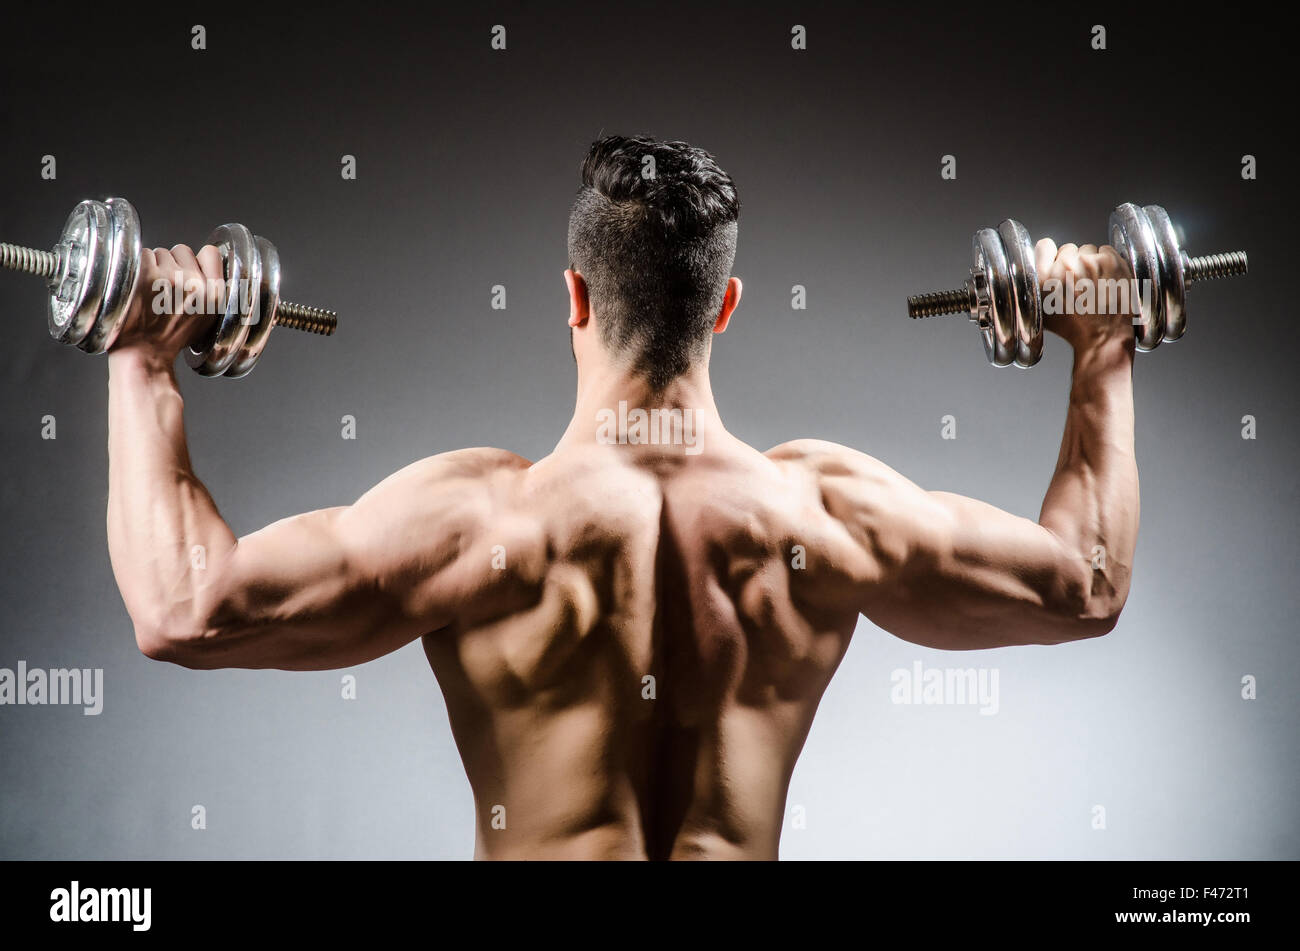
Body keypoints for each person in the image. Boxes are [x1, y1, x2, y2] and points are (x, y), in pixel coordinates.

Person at [107, 134, 1137, 859]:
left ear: (572, 296)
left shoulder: (482, 523)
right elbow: (1082, 588)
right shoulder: (822, 516)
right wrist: (1103, 345)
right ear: (723, 305)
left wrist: (142, 358)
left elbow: (184, 608)